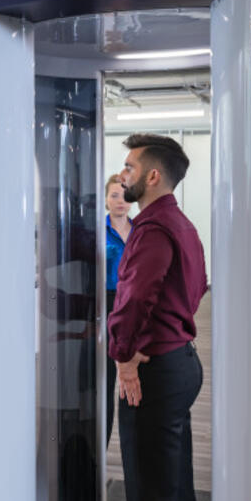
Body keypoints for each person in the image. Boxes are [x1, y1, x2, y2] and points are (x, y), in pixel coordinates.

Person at [108, 134, 207, 501]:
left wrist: (125, 357)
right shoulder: (181, 224)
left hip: (156, 371)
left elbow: (134, 299)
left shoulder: (150, 229)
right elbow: (197, 288)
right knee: (175, 485)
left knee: (150, 492)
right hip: (182, 363)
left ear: (151, 177)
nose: (122, 174)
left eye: (129, 167)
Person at [104, 174, 133, 448]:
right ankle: (102, 443)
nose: (120, 201)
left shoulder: (141, 231)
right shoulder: (96, 230)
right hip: (104, 304)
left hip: (132, 305)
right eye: (114, 195)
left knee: (131, 376)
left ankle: (131, 445)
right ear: (105, 199)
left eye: (124, 195)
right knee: (104, 380)